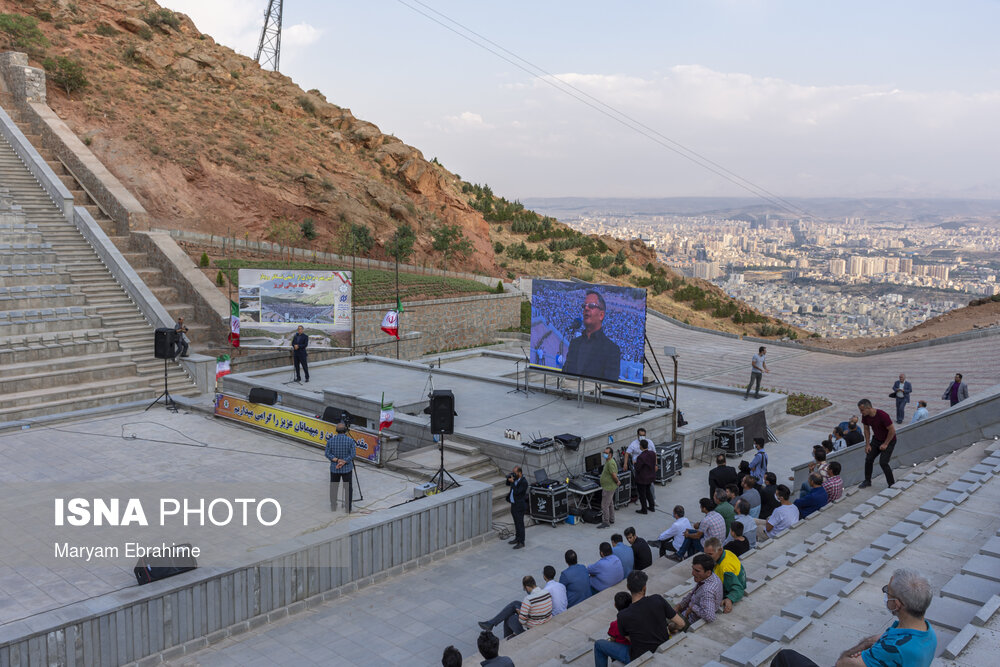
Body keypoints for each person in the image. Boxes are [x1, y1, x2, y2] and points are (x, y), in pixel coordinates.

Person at [769, 569, 936, 667]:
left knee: (785, 658)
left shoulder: (893, 648)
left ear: (897, 604)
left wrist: (857, 651)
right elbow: (876, 640)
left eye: (888, 591)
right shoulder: (927, 634)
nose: (885, 594)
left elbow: (841, 663)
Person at [594, 570, 686, 666]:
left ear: (628, 587)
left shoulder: (622, 616)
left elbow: (631, 639)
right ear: (644, 588)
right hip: (662, 648)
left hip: (639, 657)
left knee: (599, 644)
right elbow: (681, 624)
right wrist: (670, 628)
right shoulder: (657, 599)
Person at [561, 290, 621, 382]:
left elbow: (610, 385)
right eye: (584, 306)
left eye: (591, 306)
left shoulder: (612, 349)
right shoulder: (574, 343)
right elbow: (566, 372)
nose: (586, 308)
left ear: (601, 315)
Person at [478, 575, 552, 639]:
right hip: (543, 618)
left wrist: (520, 613)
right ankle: (491, 623)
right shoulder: (546, 593)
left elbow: (522, 621)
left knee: (509, 618)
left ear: (527, 587)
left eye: (524, 589)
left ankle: (506, 638)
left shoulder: (528, 599)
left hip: (533, 626)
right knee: (515, 603)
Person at [858, 398, 897, 489]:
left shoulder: (883, 415)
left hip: (889, 440)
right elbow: (866, 430)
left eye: (862, 410)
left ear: (868, 408)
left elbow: (892, 430)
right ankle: (867, 480)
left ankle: (891, 484)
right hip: (876, 440)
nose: (861, 412)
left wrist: (886, 444)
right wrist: (867, 444)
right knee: (868, 458)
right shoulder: (865, 416)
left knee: (883, 462)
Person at [675, 553, 724, 624]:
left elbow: (710, 617)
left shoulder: (707, 591)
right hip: (685, 611)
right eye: (693, 569)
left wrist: (693, 607)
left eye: (697, 571)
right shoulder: (710, 577)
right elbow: (693, 594)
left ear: (708, 572)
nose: (693, 573)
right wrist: (679, 606)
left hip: (688, 620)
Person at [703, 537, 746, 613]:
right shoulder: (726, 552)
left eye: (710, 554)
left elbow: (738, 589)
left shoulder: (726, 568)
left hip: (727, 589)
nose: (706, 557)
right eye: (705, 554)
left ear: (720, 550)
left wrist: (729, 599)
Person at [325, 422, 355, 513]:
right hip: (347, 469)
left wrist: (338, 460)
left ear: (336, 431)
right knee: (348, 488)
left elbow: (327, 454)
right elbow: (353, 454)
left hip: (335, 469)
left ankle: (333, 506)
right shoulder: (350, 441)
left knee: (334, 487)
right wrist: (344, 461)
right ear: (345, 430)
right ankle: (348, 508)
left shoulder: (330, 441)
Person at [597, 446, 619, 529]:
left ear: (611, 454)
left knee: (604, 505)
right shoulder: (608, 461)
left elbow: (614, 475)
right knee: (610, 503)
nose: (604, 454)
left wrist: (617, 481)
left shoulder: (610, 463)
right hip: (608, 486)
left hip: (609, 487)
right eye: (604, 453)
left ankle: (606, 522)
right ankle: (611, 519)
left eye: (606, 453)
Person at [505, 466, 528, 549]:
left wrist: (512, 482)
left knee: (520, 524)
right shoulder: (515, 479)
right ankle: (517, 538)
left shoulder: (524, 482)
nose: (514, 474)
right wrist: (509, 479)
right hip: (514, 504)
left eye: (515, 473)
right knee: (516, 523)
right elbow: (507, 484)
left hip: (520, 506)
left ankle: (522, 542)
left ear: (520, 473)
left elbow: (517, 492)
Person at [632, 440, 656, 514]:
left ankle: (644, 509)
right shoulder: (652, 453)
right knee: (648, 492)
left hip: (642, 479)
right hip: (650, 477)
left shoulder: (641, 457)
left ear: (641, 446)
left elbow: (638, 468)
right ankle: (652, 507)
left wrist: (635, 463)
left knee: (642, 495)